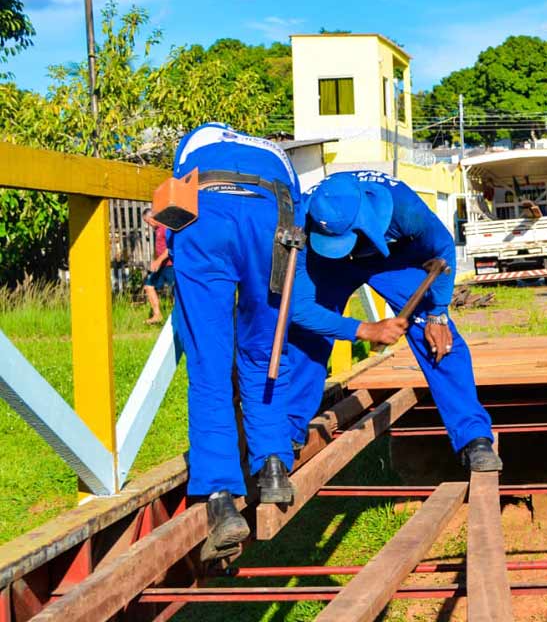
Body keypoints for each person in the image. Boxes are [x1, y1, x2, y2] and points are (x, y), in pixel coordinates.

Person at [286, 170, 502, 471]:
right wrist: (362, 329)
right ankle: (288, 433)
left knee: (437, 337)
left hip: (393, 259)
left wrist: (437, 313)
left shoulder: (405, 209)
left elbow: (443, 248)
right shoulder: (304, 220)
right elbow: (299, 309)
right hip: (329, 265)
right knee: (308, 336)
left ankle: (473, 438)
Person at [167, 123, 307, 561]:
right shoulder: (275, 150)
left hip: (205, 217)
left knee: (209, 364)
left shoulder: (196, 141)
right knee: (264, 354)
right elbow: (297, 211)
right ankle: (272, 467)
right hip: (271, 221)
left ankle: (221, 498)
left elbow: (175, 197)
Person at [142, 209, 174, 324]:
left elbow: (170, 248)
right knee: (149, 286)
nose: (148, 225)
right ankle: (157, 315)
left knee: (177, 291)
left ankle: (181, 318)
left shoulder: (166, 228)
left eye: (148, 221)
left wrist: (158, 261)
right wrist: (156, 261)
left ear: (153, 217)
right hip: (161, 265)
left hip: (170, 265)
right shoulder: (157, 230)